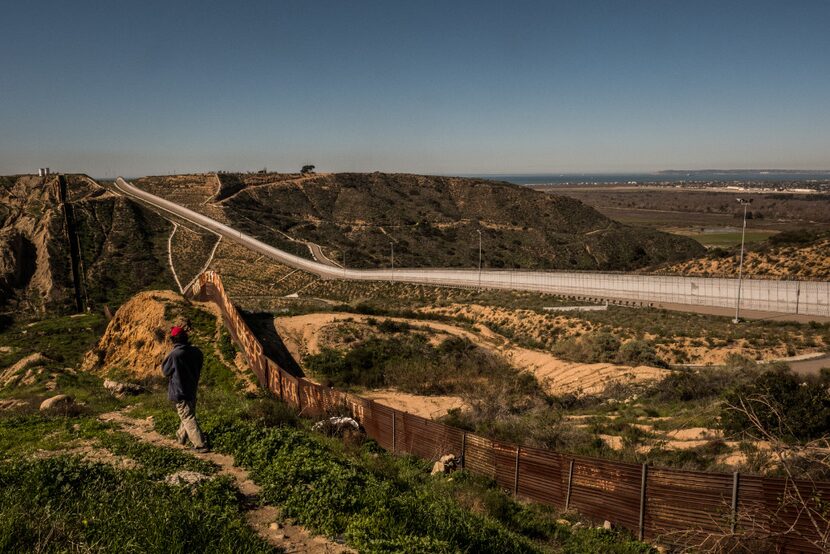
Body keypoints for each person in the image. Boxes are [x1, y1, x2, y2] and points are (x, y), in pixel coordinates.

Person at [162, 325, 208, 452]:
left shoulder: (174, 354)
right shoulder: (197, 352)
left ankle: (201, 445)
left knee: (187, 416)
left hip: (180, 390)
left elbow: (165, 372)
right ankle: (181, 438)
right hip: (192, 388)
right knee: (188, 414)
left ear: (173, 339)